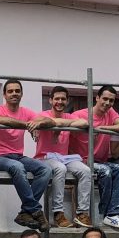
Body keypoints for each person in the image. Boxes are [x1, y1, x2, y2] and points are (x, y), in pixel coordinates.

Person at [0, 78, 51, 228]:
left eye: (17, 91)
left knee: (45, 169)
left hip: (17, 156)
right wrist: (28, 125)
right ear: (5, 95)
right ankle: (36, 211)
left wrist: (38, 124)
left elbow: (49, 120)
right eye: (10, 91)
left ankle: (26, 212)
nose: (14, 93)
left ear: (21, 94)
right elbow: (0, 120)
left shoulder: (25, 112)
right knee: (17, 167)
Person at [68, 84, 119, 230]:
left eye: (111, 101)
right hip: (81, 160)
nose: (108, 103)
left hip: (100, 160)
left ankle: (113, 214)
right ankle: (104, 213)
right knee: (105, 172)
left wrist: (102, 128)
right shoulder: (80, 114)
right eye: (105, 99)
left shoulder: (110, 113)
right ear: (97, 98)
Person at [32, 86, 93, 229]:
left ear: (67, 101)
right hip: (45, 157)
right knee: (60, 169)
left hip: (64, 158)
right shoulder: (42, 114)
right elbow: (43, 120)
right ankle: (58, 213)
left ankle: (82, 213)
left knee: (85, 170)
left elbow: (84, 123)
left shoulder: (69, 116)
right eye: (57, 99)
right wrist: (63, 124)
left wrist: (57, 123)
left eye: (63, 99)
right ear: (50, 100)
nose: (60, 102)